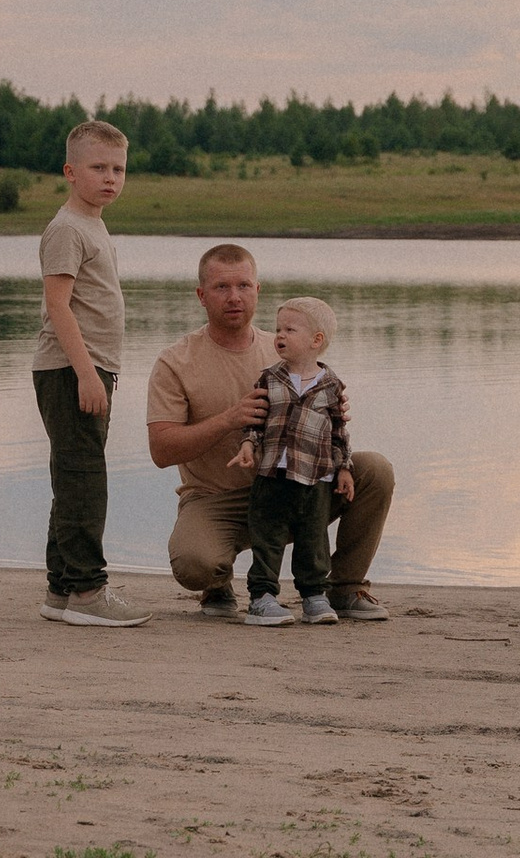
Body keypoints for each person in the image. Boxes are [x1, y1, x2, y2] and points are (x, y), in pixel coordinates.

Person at [144, 241, 397, 615]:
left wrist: (329, 415)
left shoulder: (286, 344)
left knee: (375, 470)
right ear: (201, 295)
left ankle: (344, 587)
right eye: (221, 288)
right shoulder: (175, 361)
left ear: (257, 290)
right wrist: (230, 420)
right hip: (217, 499)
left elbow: (325, 405)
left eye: (244, 286)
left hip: (294, 485)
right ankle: (217, 585)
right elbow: (161, 451)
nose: (235, 297)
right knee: (195, 564)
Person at [32, 119, 146, 625]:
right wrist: (86, 374)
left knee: (73, 476)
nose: (110, 177)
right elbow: (59, 306)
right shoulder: (66, 229)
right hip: (70, 369)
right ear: (70, 171)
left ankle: (60, 591)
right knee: (84, 478)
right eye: (98, 167)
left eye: (118, 169)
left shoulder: (92, 224)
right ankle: (87, 592)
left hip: (89, 368)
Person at [240, 295, 352, 624]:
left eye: (290, 329)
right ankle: (262, 597)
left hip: (315, 477)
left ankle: (314, 596)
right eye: (277, 329)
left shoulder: (331, 386)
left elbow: (339, 432)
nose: (280, 336)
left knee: (313, 536)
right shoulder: (269, 379)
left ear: (317, 340)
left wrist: (345, 468)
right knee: (268, 535)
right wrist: (248, 445)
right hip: (272, 474)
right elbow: (255, 422)